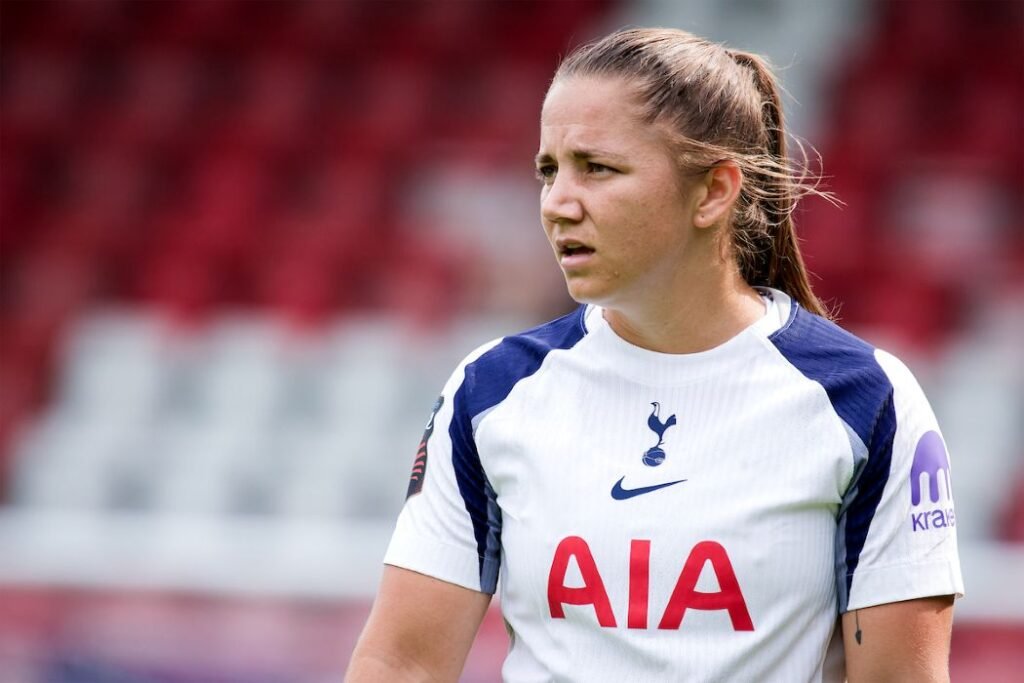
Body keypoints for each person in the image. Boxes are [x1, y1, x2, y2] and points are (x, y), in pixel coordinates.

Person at [346, 27, 963, 682]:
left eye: (597, 168)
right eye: (548, 171)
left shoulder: (868, 400)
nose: (557, 204)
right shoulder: (491, 389)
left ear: (714, 191)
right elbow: (401, 663)